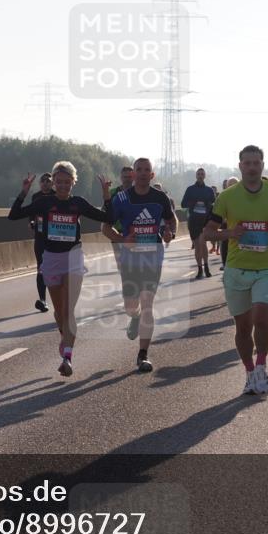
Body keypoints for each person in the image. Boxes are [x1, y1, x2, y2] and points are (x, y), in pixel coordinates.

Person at [203, 146, 268, 396]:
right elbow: (208, 232)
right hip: (237, 269)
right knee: (243, 328)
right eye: (248, 163)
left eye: (257, 163)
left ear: (263, 165)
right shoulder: (227, 196)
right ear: (240, 165)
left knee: (260, 319)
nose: (252, 167)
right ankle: (248, 373)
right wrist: (228, 233)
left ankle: (261, 365)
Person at [9, 163, 112, 377]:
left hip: (73, 257)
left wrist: (106, 196)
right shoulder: (45, 202)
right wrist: (24, 191)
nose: (63, 186)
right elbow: (14, 215)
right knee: (59, 312)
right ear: (54, 183)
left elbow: (108, 218)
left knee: (68, 311)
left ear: (73, 183)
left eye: (67, 182)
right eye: (59, 182)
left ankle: (67, 357)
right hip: (51, 259)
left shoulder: (78, 203)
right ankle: (65, 338)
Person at [102, 158, 177, 373]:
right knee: (130, 306)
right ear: (133, 174)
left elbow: (172, 221)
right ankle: (133, 318)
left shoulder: (160, 197)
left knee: (147, 304)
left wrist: (169, 232)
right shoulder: (122, 199)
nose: (143, 173)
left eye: (147, 170)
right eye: (139, 170)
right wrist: (121, 239)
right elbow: (105, 227)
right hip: (130, 259)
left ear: (152, 175)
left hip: (153, 257)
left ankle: (143, 355)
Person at [181, 168, 217, 279]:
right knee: (197, 245)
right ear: (196, 176)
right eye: (198, 174)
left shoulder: (209, 190)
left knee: (203, 243)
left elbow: (214, 204)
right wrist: (193, 203)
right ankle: (200, 268)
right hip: (194, 220)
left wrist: (207, 205)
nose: (200, 176)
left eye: (202, 174)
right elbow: (183, 204)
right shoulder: (190, 189)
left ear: (205, 176)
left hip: (205, 220)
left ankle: (206, 266)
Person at [28, 172, 56, 312]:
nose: (45, 183)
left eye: (48, 181)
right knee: (41, 268)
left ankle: (60, 299)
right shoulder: (35, 197)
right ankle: (43, 300)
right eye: (42, 181)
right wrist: (31, 222)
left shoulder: (57, 196)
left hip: (55, 238)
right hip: (40, 238)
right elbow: (31, 214)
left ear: (52, 183)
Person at [219, 176, 238, 271]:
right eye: (230, 185)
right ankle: (225, 263)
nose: (232, 186)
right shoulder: (224, 197)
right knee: (225, 243)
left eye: (234, 184)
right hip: (227, 226)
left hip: (239, 227)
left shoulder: (243, 196)